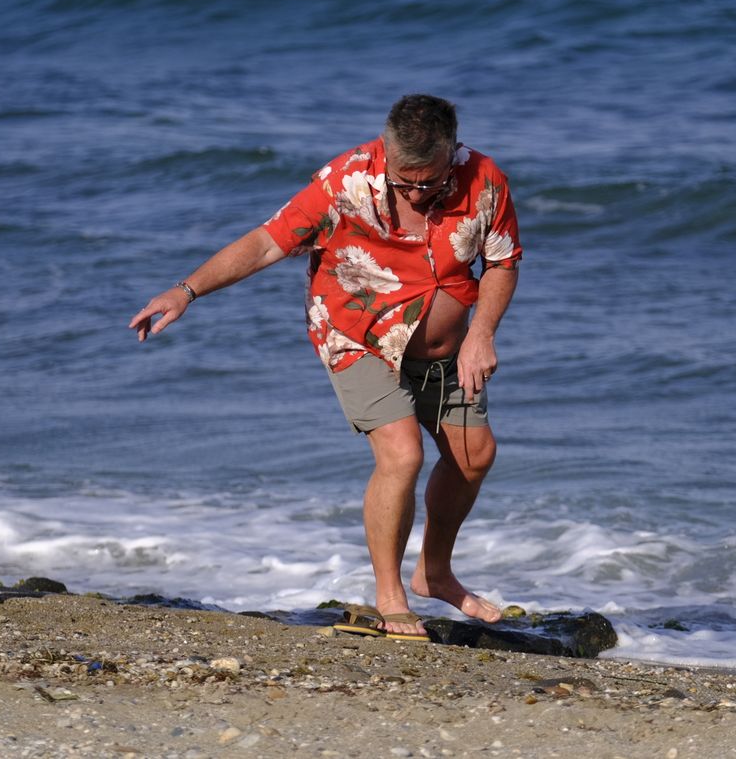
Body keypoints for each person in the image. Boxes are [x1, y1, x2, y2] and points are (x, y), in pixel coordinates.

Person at [130, 94, 521, 639]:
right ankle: (391, 597)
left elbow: (502, 262)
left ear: (452, 152)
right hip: (357, 336)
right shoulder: (346, 181)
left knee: (475, 455)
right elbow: (268, 243)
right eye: (403, 180)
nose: (413, 192)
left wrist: (482, 334)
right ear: (386, 151)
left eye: (427, 182)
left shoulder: (485, 181)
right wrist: (186, 291)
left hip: (449, 350)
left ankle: (435, 572)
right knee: (402, 454)